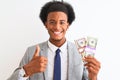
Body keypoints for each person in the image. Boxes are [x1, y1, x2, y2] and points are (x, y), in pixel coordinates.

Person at [8, 1, 101, 80]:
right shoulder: (31, 51)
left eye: (62, 22)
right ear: (46, 24)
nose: (57, 27)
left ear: (67, 25)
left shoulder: (81, 52)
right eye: (52, 22)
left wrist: (93, 77)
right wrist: (26, 70)